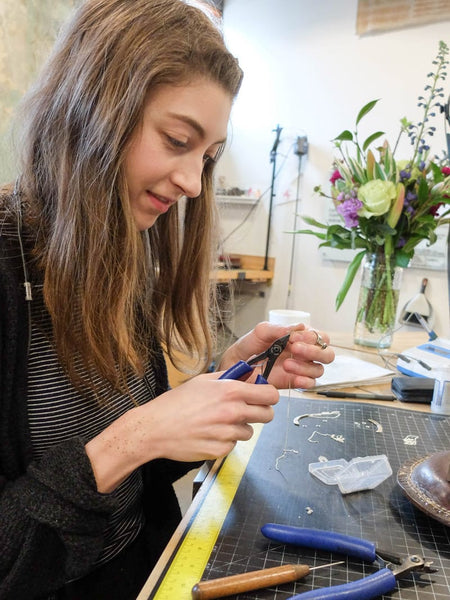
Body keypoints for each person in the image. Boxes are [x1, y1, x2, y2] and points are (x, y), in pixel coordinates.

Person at [0, 0, 335, 598]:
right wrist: (138, 435)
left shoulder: (123, 250)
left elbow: (145, 469)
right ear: (90, 107)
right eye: (178, 140)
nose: (193, 183)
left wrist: (227, 379)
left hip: (151, 571)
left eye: (206, 156)